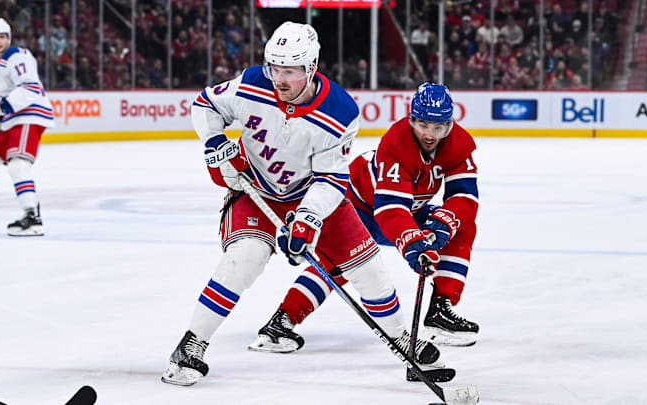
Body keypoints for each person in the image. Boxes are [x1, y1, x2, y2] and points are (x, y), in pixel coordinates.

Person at [161, 21, 446, 387]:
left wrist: (307, 218)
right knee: (242, 261)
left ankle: (402, 340)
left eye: (291, 71)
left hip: (314, 194)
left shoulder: (339, 110)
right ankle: (191, 345)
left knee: (368, 267)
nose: (280, 78)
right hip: (256, 191)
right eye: (275, 68)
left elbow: (331, 178)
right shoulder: (251, 83)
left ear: (311, 67)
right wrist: (214, 138)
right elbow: (205, 104)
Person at [249, 83, 480, 354]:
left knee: (460, 227)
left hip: (408, 211)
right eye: (422, 124)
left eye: (438, 127)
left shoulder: (459, 145)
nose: (429, 134)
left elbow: (465, 197)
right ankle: (281, 323)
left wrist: (445, 220)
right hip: (355, 206)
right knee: (339, 263)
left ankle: (441, 309)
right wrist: (412, 243)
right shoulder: (396, 143)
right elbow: (390, 208)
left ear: (450, 125)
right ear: (411, 119)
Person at [0, 18, 54, 236]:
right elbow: (6, 94)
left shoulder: (17, 57)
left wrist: (2, 109)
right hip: (16, 117)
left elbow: (30, 89)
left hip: (30, 115)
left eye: (2, 36)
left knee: (18, 165)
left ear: (9, 38)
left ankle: (32, 217)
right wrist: (0, 113)